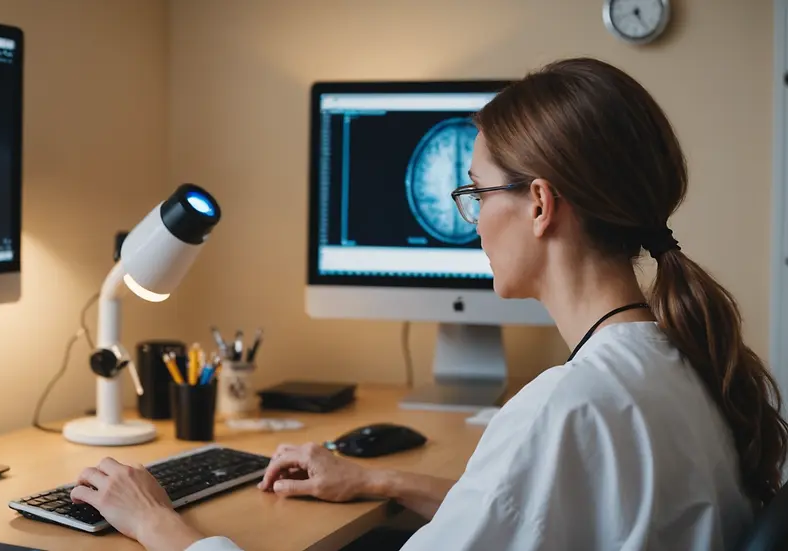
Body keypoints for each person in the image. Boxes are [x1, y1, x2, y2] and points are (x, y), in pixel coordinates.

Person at [67, 57, 788, 551]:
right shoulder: (677, 363)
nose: (470, 216)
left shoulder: (564, 408)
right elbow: (532, 514)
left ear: (539, 204)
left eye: (474, 191)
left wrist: (164, 527)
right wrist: (380, 479)